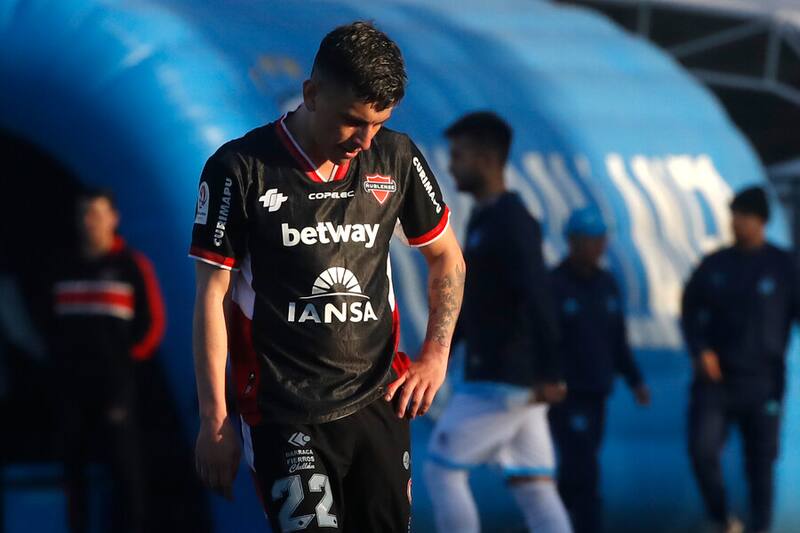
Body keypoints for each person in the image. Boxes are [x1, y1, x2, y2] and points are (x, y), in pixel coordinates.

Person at [189, 21, 465, 533]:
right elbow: (212, 295)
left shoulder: (397, 156)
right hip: (284, 411)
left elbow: (447, 258)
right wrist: (215, 419)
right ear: (311, 94)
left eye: (378, 124)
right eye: (352, 121)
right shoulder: (239, 168)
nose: (364, 140)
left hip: (378, 401)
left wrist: (436, 357)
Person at [424, 112, 571, 533]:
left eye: (458, 155)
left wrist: (551, 370)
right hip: (509, 378)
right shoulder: (484, 219)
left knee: (442, 471)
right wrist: (442, 353)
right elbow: (474, 304)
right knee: (534, 485)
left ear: (487, 159)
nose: (451, 166)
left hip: (504, 377)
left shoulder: (512, 221)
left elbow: (537, 294)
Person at [682, 186, 797, 533]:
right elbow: (689, 309)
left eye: (743, 215)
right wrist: (700, 349)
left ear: (761, 220)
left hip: (764, 381)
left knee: (761, 464)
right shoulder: (715, 265)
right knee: (702, 450)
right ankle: (722, 520)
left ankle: (760, 527)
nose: (735, 222)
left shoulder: (783, 266)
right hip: (717, 381)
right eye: (733, 214)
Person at [52, 188, 166, 533]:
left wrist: (124, 367)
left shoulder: (131, 266)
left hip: (117, 387)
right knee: (74, 472)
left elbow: (153, 324)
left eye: (97, 214)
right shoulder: (62, 265)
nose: (90, 222)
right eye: (84, 214)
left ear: (113, 219)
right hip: (71, 387)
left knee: (124, 469)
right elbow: (42, 320)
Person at [548, 206, 650, 533]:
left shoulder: (607, 285)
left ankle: (547, 522)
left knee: (579, 469)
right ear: (574, 241)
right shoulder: (555, 285)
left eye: (601, 240)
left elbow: (617, 340)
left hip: (596, 393)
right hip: (566, 394)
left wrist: (635, 380)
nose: (598, 247)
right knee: (584, 471)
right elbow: (541, 341)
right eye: (591, 240)